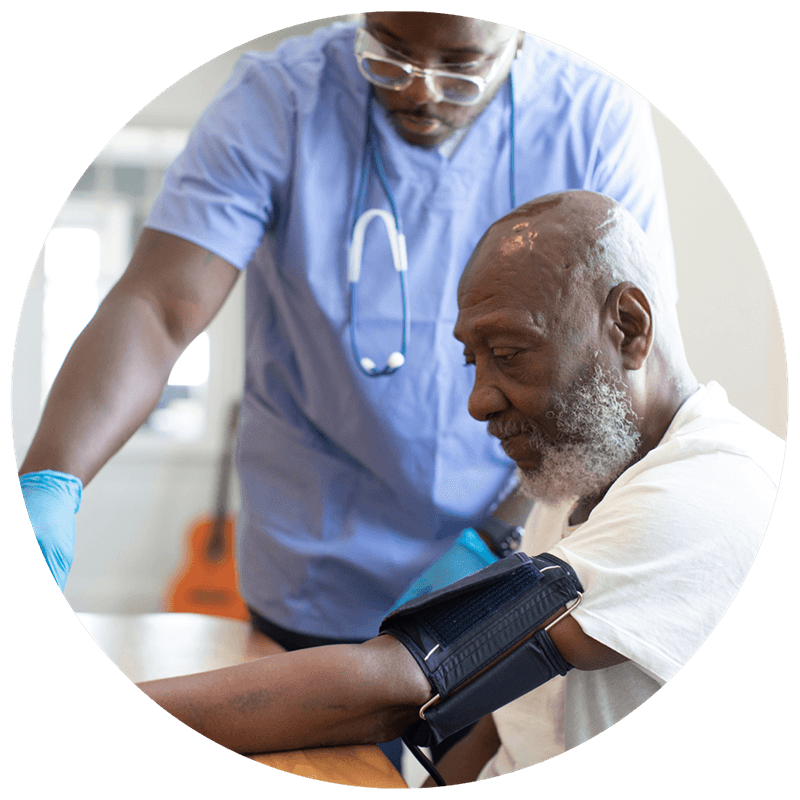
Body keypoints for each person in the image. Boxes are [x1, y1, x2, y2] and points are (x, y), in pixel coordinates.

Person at [20, 13, 675, 648]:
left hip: (507, 547)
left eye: (461, 67)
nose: (418, 89)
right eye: (387, 52)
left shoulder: (595, 119)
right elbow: (160, 306)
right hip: (312, 562)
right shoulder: (279, 100)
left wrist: (493, 541)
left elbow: (621, 369)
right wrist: (49, 481)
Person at [136, 190, 784, 784]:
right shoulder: (579, 476)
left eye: (508, 353)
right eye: (473, 360)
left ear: (629, 328)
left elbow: (413, 677)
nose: (477, 402)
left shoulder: (713, 493)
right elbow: (510, 717)